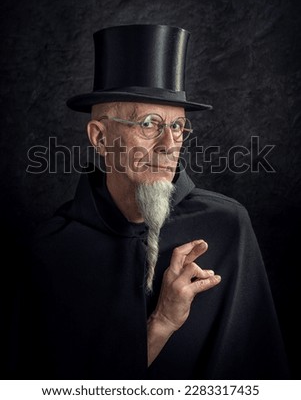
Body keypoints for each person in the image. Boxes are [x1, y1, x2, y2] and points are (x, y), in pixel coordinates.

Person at [15, 24, 289, 380]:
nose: (168, 143)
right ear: (100, 137)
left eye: (178, 127)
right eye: (149, 123)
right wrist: (161, 322)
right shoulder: (52, 251)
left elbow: (261, 378)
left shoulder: (228, 226)